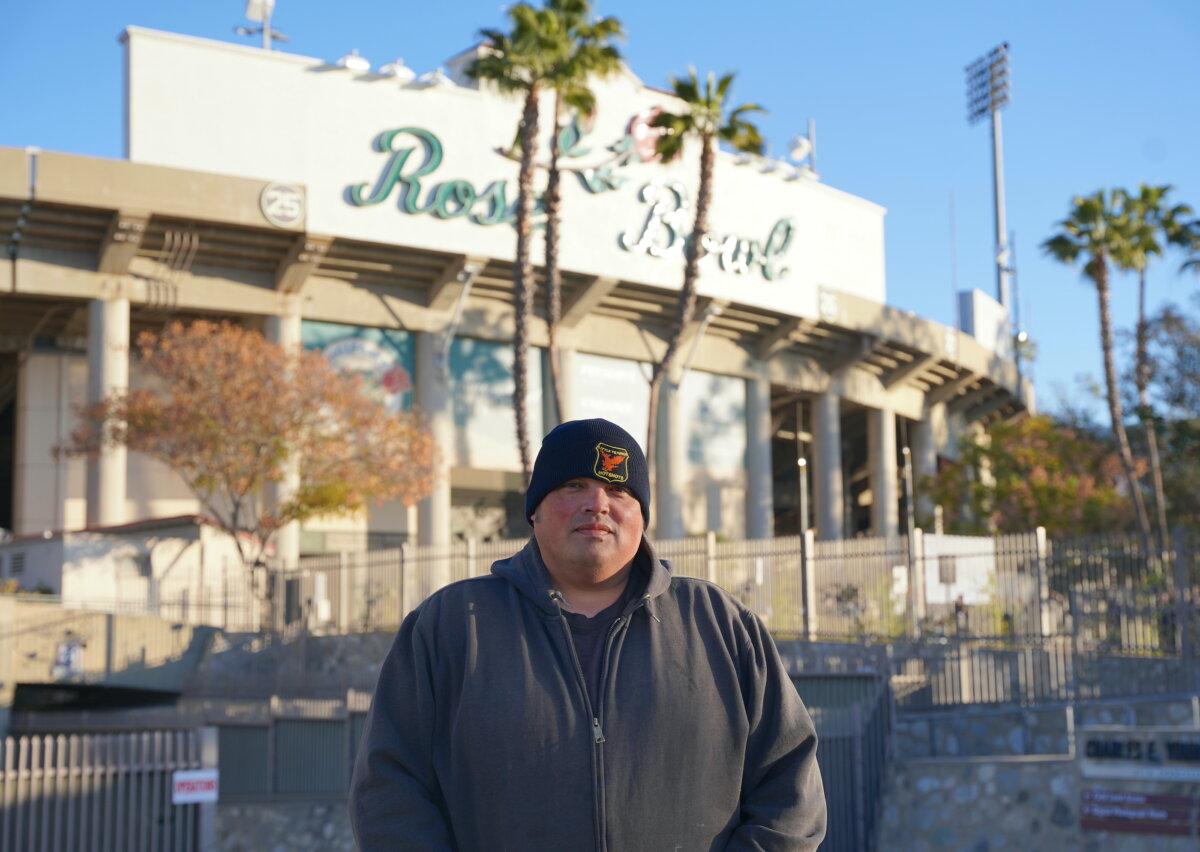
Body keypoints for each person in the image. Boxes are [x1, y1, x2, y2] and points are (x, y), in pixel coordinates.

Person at [350, 418, 826, 850]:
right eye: (574, 485)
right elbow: (390, 789)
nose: (596, 504)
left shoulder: (720, 625)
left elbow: (790, 788)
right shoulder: (452, 626)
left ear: (641, 517)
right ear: (534, 510)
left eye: (618, 492)